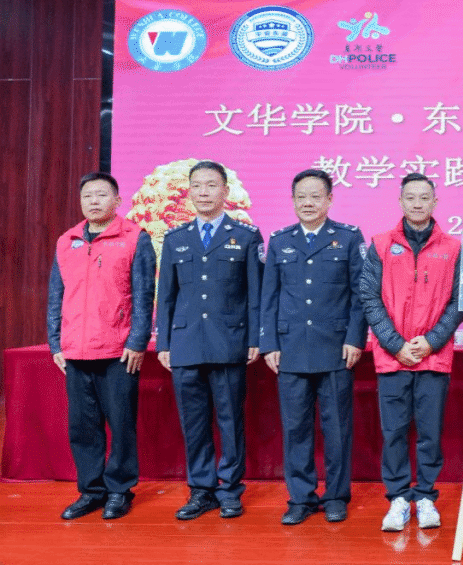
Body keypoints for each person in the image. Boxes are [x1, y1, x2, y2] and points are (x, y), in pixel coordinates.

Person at [156, 160, 263, 520]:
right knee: (194, 422)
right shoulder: (175, 238)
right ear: (189, 191)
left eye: (212, 185)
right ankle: (201, 490)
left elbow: (255, 293)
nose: (204, 192)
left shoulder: (246, 236)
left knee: (231, 420)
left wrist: (254, 336)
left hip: (229, 341)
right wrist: (164, 342)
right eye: (197, 186)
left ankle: (230, 489)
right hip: (185, 343)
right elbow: (166, 296)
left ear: (225, 191)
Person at [360, 173, 463, 532]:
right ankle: (397, 499)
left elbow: (460, 301)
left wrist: (432, 341)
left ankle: (425, 497)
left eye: (424, 197)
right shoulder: (380, 244)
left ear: (435, 202)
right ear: (400, 202)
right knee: (393, 432)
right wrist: (396, 344)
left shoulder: (453, 248)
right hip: (393, 356)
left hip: (433, 356)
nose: (417, 203)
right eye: (411, 197)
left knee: (430, 433)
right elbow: (369, 296)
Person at [47, 171, 156, 521]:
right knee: (82, 426)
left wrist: (137, 341)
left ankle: (120, 490)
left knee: (121, 425)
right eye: (87, 196)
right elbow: (56, 295)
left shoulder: (134, 238)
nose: (93, 201)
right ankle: (91, 491)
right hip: (75, 349)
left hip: (118, 350)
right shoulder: (67, 240)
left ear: (117, 200)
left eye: (101, 194)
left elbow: (144, 295)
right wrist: (55, 342)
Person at [260, 169, 366, 525]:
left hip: (335, 348)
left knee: (337, 429)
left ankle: (336, 496)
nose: (308, 203)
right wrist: (269, 343)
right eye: (301, 196)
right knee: (296, 429)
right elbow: (269, 296)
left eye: (315, 196)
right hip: (290, 349)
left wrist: (355, 338)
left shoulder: (348, 238)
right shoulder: (280, 241)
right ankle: (301, 498)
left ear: (329, 199)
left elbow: (360, 294)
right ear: (293, 201)